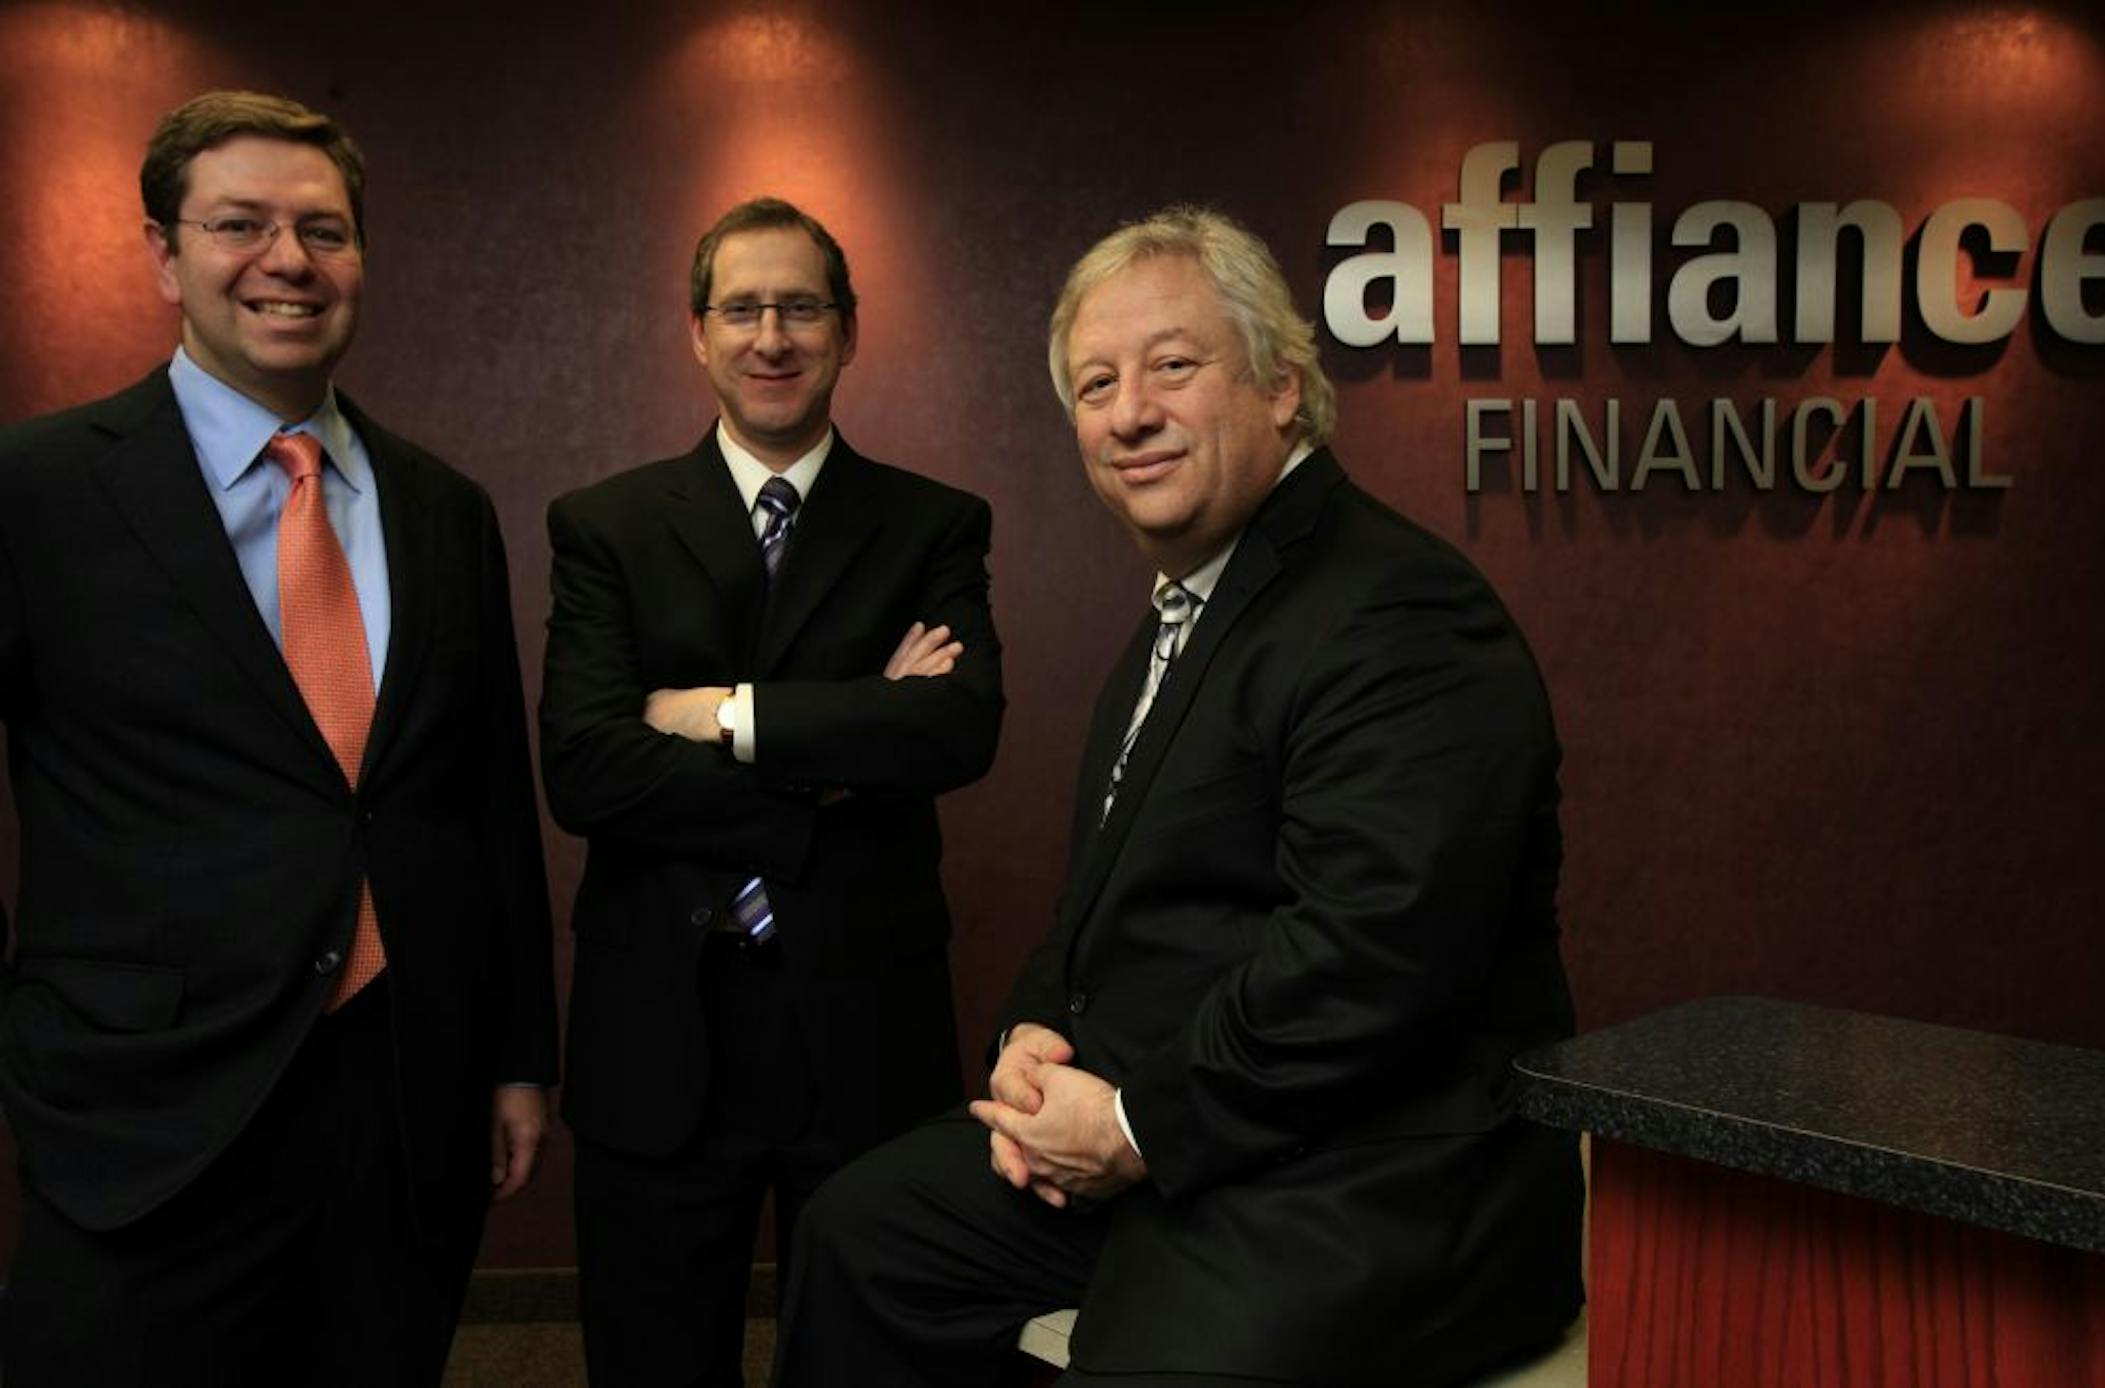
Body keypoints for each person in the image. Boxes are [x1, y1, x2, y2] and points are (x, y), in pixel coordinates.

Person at [773, 206, 1584, 1388]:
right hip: (1198, 1130)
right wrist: (1035, 1035)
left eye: (1171, 366)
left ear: (1282, 388)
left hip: (1368, 1178)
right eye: (1096, 384)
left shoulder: (1397, 612)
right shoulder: (1190, 608)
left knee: (1144, 1359)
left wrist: (1136, 1124)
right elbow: (1107, 902)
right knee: (861, 1235)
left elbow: (1368, 959)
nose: (1129, 411)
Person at [0, 90, 557, 1386]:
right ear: (162, 255)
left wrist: (519, 1055)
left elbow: (486, 802)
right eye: (239, 224)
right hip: (144, 1106)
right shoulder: (40, 491)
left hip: (406, 1096)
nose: (288, 261)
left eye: (324, 229)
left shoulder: (442, 509)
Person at [540, 196, 1003, 1388]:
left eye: (801, 307)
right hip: (659, 1022)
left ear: (848, 331)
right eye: (742, 308)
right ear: (698, 333)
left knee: (865, 1359)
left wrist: (717, 714)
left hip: (863, 1019)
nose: (772, 335)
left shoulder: (933, 524)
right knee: (652, 1359)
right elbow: (586, 767)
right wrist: (844, 750)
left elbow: (955, 727)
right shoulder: (607, 527)